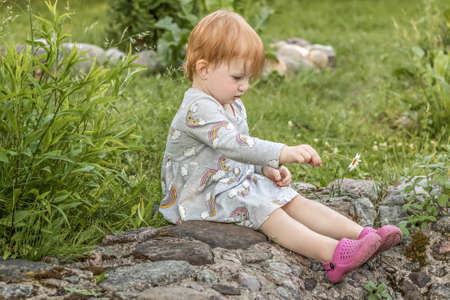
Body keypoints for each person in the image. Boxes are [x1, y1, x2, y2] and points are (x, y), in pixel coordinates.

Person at [159, 10, 402, 283]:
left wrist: (265, 168)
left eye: (248, 78)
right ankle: (333, 254)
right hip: (202, 195)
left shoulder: (231, 103)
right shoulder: (197, 108)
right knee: (268, 212)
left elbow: (241, 152)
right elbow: (232, 143)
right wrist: (281, 151)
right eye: (237, 77)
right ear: (204, 69)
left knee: (292, 199)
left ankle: (363, 235)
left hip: (230, 181)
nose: (245, 86)